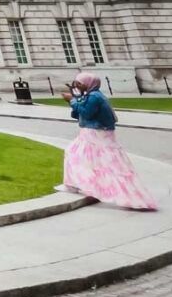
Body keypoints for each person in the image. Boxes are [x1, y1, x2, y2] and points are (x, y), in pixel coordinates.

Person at [58, 72, 156, 210]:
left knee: (108, 165)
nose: (76, 85)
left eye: (79, 83)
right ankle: (74, 184)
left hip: (96, 133)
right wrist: (76, 99)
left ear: (88, 83)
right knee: (76, 155)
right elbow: (78, 114)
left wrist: (72, 101)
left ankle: (128, 195)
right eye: (76, 83)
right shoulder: (90, 95)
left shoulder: (94, 97)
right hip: (91, 132)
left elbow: (86, 113)